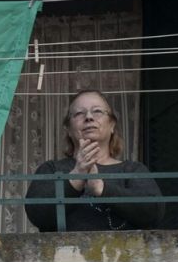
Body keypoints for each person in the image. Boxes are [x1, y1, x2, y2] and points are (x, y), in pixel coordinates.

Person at [25, 89, 163, 232]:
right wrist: (76, 177)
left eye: (97, 111)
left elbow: (153, 214)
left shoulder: (132, 170)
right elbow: (37, 215)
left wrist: (101, 188)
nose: (89, 117)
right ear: (68, 129)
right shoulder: (52, 169)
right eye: (79, 113)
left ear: (112, 125)